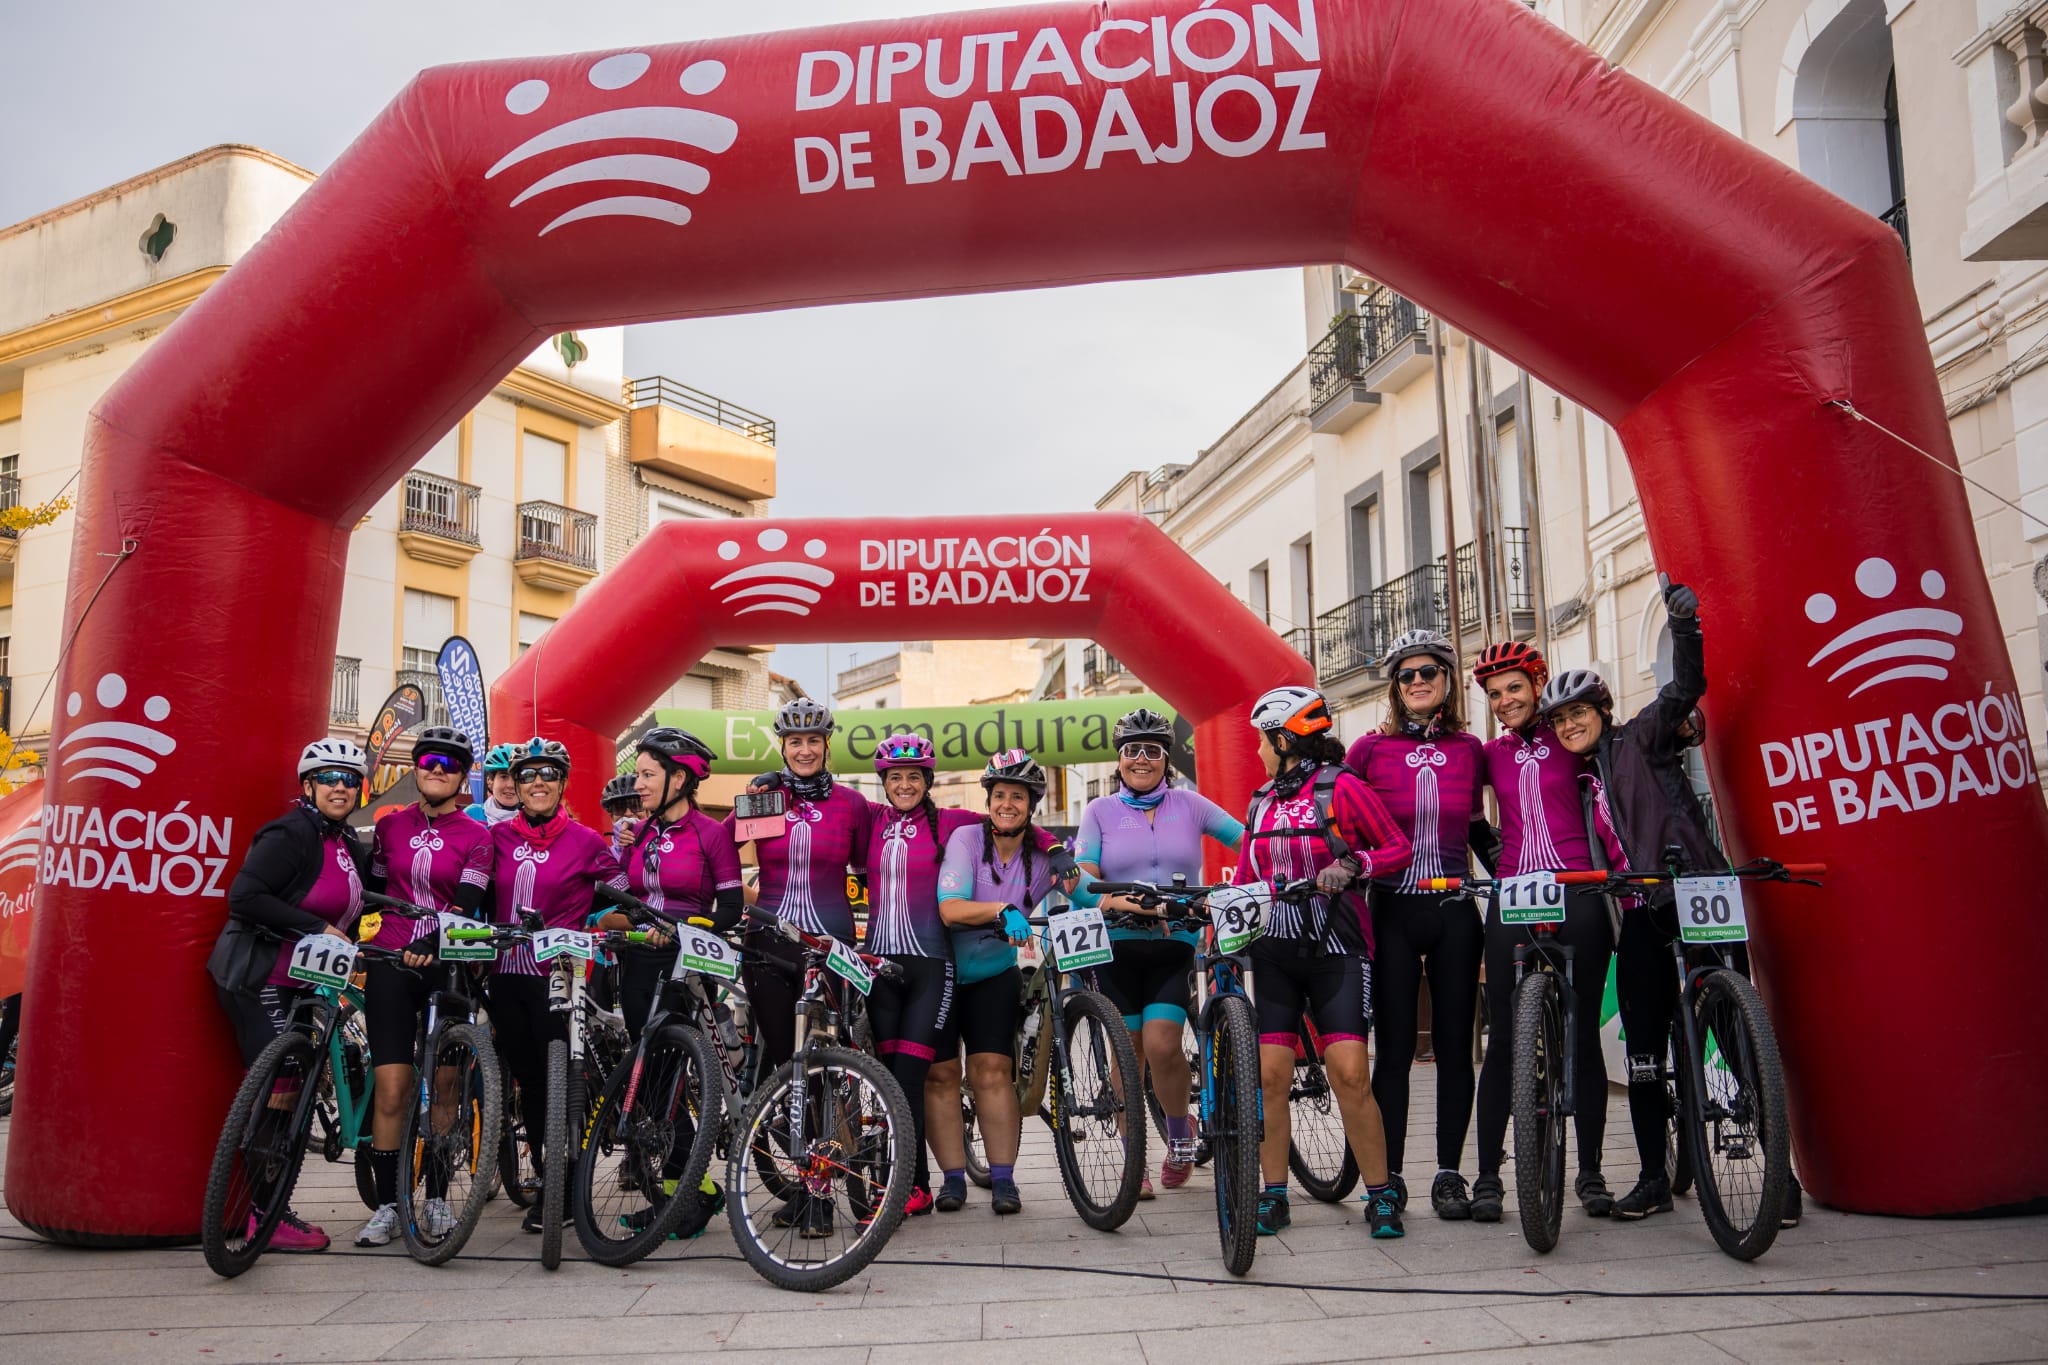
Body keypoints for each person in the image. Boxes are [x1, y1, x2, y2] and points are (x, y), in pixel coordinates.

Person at [1236, 686, 1413, 1240]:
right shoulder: (1259, 801)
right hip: (1274, 951)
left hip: (1337, 948)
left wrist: (1353, 863)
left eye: (1263, 741)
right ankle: (1273, 1193)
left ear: (1285, 739)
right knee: (1270, 1076)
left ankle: (1381, 1194)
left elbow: (1396, 847)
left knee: (1351, 1075)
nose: (1259, 752)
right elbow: (1245, 877)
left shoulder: (1343, 788)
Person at [1345, 630, 1497, 1221]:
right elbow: (1345, 827)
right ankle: (1392, 1175)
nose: (1416, 682)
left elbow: (1480, 828)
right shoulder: (1367, 750)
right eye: (1406, 675)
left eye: (1428, 671)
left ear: (1447, 680)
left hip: (1457, 910)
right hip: (1393, 910)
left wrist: (1518, 875)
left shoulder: (1471, 749)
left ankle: (1450, 1174)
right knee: (1397, 1050)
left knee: (1459, 1049)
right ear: (1393, 687)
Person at [205, 738, 374, 1253]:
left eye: (349, 778)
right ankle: (263, 1215)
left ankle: (272, 1204)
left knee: (292, 1089)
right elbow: (246, 897)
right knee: (280, 1089)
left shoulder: (346, 844)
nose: (340, 786)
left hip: (303, 985)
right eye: (328, 777)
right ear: (308, 786)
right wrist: (318, 926)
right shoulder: (291, 832)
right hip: (263, 978)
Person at [1469, 639, 1616, 1225]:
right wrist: (1493, 855)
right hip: (1511, 892)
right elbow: (1462, 804)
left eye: (1514, 688)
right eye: (1495, 694)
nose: (1505, 701)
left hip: (1579, 886)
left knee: (1581, 1036)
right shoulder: (1489, 754)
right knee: (1503, 1040)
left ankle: (1592, 1173)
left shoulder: (1574, 738)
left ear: (1539, 683)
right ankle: (1486, 1177)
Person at [1071, 707, 1243, 1196]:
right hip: (1118, 943)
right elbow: (1080, 877)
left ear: (1166, 760)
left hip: (1173, 942)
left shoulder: (1191, 805)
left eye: (1152, 751)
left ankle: (1179, 1134)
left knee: (1164, 1044)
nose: (1141, 759)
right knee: (1128, 1055)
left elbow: (1248, 840)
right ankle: (1134, 1163)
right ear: (1119, 760)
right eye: (1132, 751)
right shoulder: (1099, 811)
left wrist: (1234, 889)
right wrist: (1116, 899)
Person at [599, 725, 744, 1237]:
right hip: (637, 962)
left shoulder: (712, 834)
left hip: (685, 963)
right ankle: (691, 1191)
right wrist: (618, 853)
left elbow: (728, 908)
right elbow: (617, 894)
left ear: (679, 778)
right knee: (653, 1086)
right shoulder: (638, 832)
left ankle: (690, 1191)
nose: (636, 784)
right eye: (636, 774)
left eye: (646, 775)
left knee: (672, 1080)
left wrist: (680, 931)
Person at [483, 736, 629, 1233]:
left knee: (561, 1077)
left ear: (562, 783)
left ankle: (567, 1183)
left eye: (548, 774)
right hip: (505, 975)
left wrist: (605, 923)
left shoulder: (587, 841)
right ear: (516, 787)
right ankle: (549, 1172)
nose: (537, 782)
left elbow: (621, 898)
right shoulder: (495, 839)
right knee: (529, 1080)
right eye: (527, 776)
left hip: (561, 973)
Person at [354, 726, 493, 1248]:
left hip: (447, 965)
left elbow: (468, 904)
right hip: (391, 961)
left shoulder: (477, 836)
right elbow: (373, 895)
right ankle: (391, 1204)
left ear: (462, 778)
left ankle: (434, 1199)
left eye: (450, 765)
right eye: (429, 761)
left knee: (445, 1090)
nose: (437, 769)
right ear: (416, 768)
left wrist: (434, 940)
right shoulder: (390, 828)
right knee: (392, 1089)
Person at [927, 749, 1072, 1216]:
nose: (1008, 803)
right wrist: (1000, 910)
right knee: (943, 1075)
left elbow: (1090, 892)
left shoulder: (1042, 856)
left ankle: (1005, 1178)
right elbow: (950, 908)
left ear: (1032, 806)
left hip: (994, 976)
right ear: (988, 800)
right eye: (1000, 795)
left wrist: (1140, 902)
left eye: (1019, 797)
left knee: (992, 1073)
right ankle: (951, 1179)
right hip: (943, 972)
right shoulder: (967, 839)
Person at [862, 732, 980, 1216]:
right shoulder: (868, 821)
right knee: (887, 1074)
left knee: (911, 1073)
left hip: (931, 965)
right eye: (895, 777)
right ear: (884, 782)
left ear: (928, 780)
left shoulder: (951, 822)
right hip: (877, 966)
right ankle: (909, 1183)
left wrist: (1056, 851)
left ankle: (913, 1186)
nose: (905, 784)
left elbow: (1010, 822)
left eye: (914, 776)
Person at [726, 698, 872, 1077]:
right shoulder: (767, 800)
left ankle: (830, 1135)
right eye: (795, 742)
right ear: (783, 747)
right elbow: (716, 849)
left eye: (813, 740)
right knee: (783, 1061)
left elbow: (869, 871)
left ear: (827, 745)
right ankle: (792, 1133)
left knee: (828, 1062)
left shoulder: (852, 804)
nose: (804, 750)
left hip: (830, 943)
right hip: (768, 943)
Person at [466, 743, 523, 826]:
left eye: (517, 777)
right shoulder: (471, 815)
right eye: (504, 777)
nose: (510, 785)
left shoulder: (534, 820)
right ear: (490, 781)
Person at [600, 774, 642, 853]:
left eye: (636, 806)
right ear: (612, 818)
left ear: (650, 811)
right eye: (620, 808)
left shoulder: (665, 850)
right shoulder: (603, 859)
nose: (628, 813)